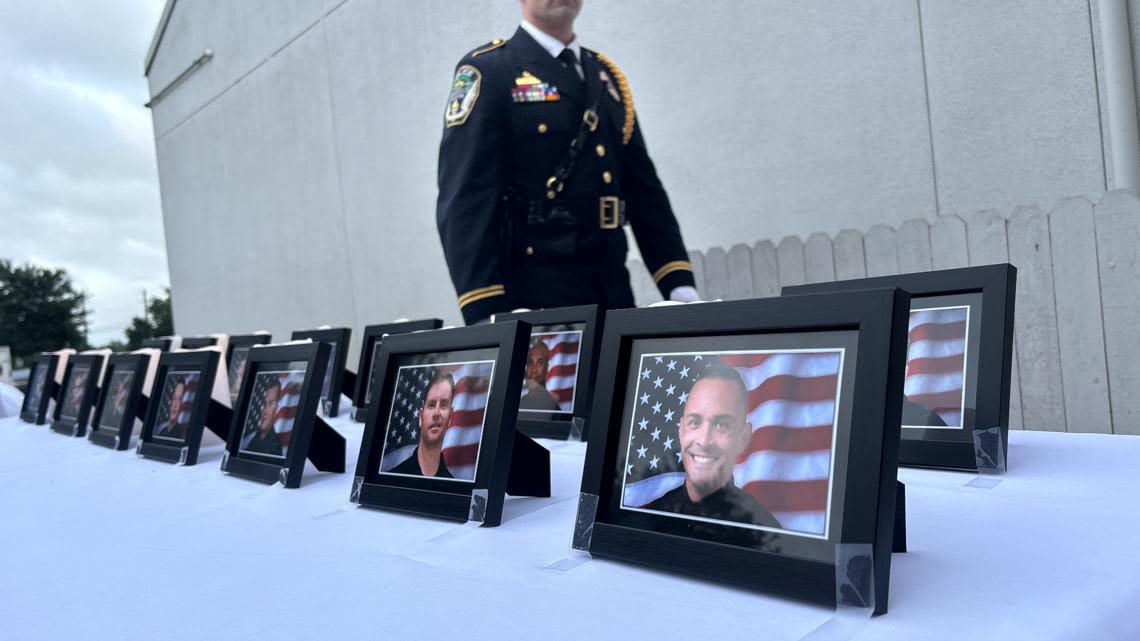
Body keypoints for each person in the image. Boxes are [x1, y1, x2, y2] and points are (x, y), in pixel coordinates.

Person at [436, 0, 699, 325]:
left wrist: (677, 281)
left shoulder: (604, 75)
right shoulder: (491, 70)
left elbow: (644, 191)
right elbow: (466, 197)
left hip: (613, 287)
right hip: (534, 299)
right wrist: (485, 309)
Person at [646, 364, 781, 528]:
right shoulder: (648, 518)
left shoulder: (764, 532)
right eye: (694, 422)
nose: (704, 441)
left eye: (721, 425)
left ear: (743, 438)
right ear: (681, 431)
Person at [390, 371, 455, 478]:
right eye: (431, 404)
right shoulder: (393, 479)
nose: (437, 413)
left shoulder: (455, 490)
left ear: (450, 418)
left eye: (443, 405)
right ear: (421, 417)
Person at [243, 382, 284, 456]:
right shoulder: (252, 437)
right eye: (263, 403)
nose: (265, 411)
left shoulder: (274, 446)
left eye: (271, 403)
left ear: (277, 407)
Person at [519, 340, 560, 411]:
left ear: (547, 368)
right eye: (530, 362)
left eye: (540, 362)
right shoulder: (520, 403)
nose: (533, 369)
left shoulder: (553, 409)